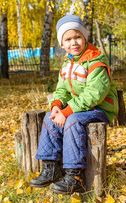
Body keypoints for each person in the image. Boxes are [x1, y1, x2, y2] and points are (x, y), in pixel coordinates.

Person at [30, 15, 118, 194]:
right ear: (62, 44)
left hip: (100, 108)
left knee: (73, 121)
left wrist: (68, 110)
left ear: (85, 37)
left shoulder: (95, 61)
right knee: (49, 116)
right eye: (68, 39)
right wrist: (57, 105)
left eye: (77, 37)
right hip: (81, 107)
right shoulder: (67, 63)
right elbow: (61, 89)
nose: (74, 42)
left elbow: (95, 94)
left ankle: (74, 175)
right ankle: (51, 167)